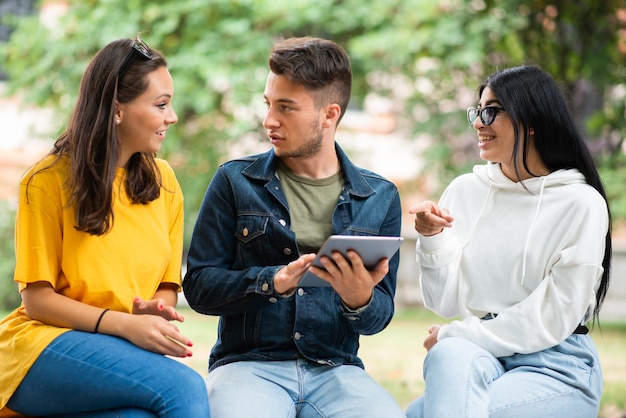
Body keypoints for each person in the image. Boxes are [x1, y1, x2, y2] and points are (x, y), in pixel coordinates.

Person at [183, 36, 405, 418]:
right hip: (248, 366)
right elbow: (200, 286)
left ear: (329, 114)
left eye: (286, 108)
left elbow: (379, 315)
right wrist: (274, 281)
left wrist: (360, 299)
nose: (270, 120)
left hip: (336, 369)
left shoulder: (380, 197)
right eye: (269, 104)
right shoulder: (235, 181)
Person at [0, 37, 210, 417]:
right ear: (117, 110)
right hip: (44, 346)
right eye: (161, 105)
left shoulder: (163, 183)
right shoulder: (46, 181)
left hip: (116, 349)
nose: (173, 116)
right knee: (185, 386)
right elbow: (37, 300)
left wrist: (155, 314)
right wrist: (125, 326)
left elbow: (166, 285)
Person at [405, 65, 612, 417]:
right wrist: (432, 238)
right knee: (448, 352)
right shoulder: (465, 190)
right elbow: (444, 302)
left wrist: (458, 335)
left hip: (555, 365)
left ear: (531, 121)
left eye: (491, 111)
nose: (478, 123)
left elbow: (553, 316)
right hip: (481, 355)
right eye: (477, 111)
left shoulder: (581, 203)